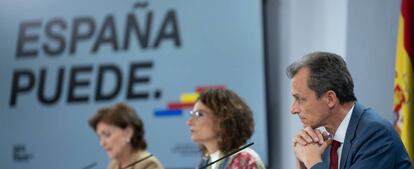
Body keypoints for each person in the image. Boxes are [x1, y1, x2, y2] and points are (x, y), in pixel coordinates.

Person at [287, 51, 412, 169]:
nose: (293, 109)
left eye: (300, 99)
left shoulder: (376, 135)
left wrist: (312, 161)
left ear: (330, 99)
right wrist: (302, 165)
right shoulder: (321, 142)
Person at [187, 88, 265, 169]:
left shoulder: (244, 160)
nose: (189, 122)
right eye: (192, 114)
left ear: (223, 119)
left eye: (199, 114)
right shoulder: (205, 162)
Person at [89, 103, 164, 169]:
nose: (102, 143)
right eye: (100, 137)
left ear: (128, 133)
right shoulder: (113, 165)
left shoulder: (148, 164)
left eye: (107, 135)